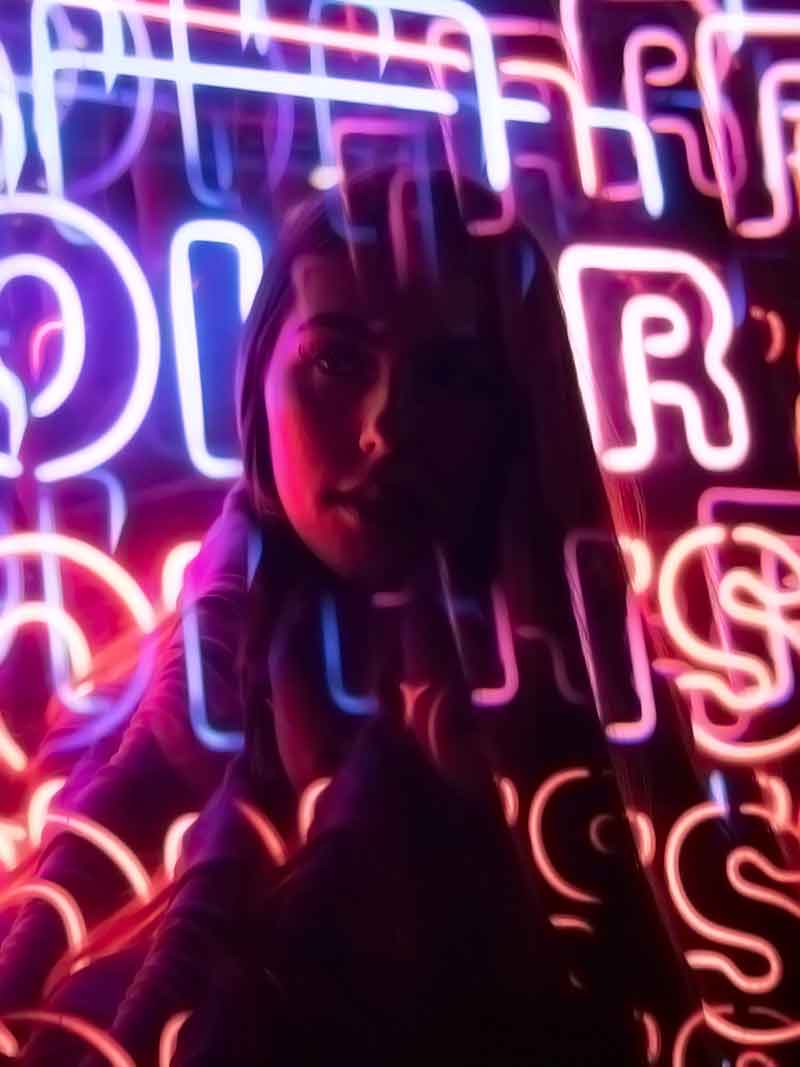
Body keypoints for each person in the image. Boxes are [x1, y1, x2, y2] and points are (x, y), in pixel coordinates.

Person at [4, 168, 714, 1065]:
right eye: (337, 361)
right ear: (257, 379)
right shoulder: (118, 719)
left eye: (451, 376)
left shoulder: (596, 753)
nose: (387, 427)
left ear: (517, 410)